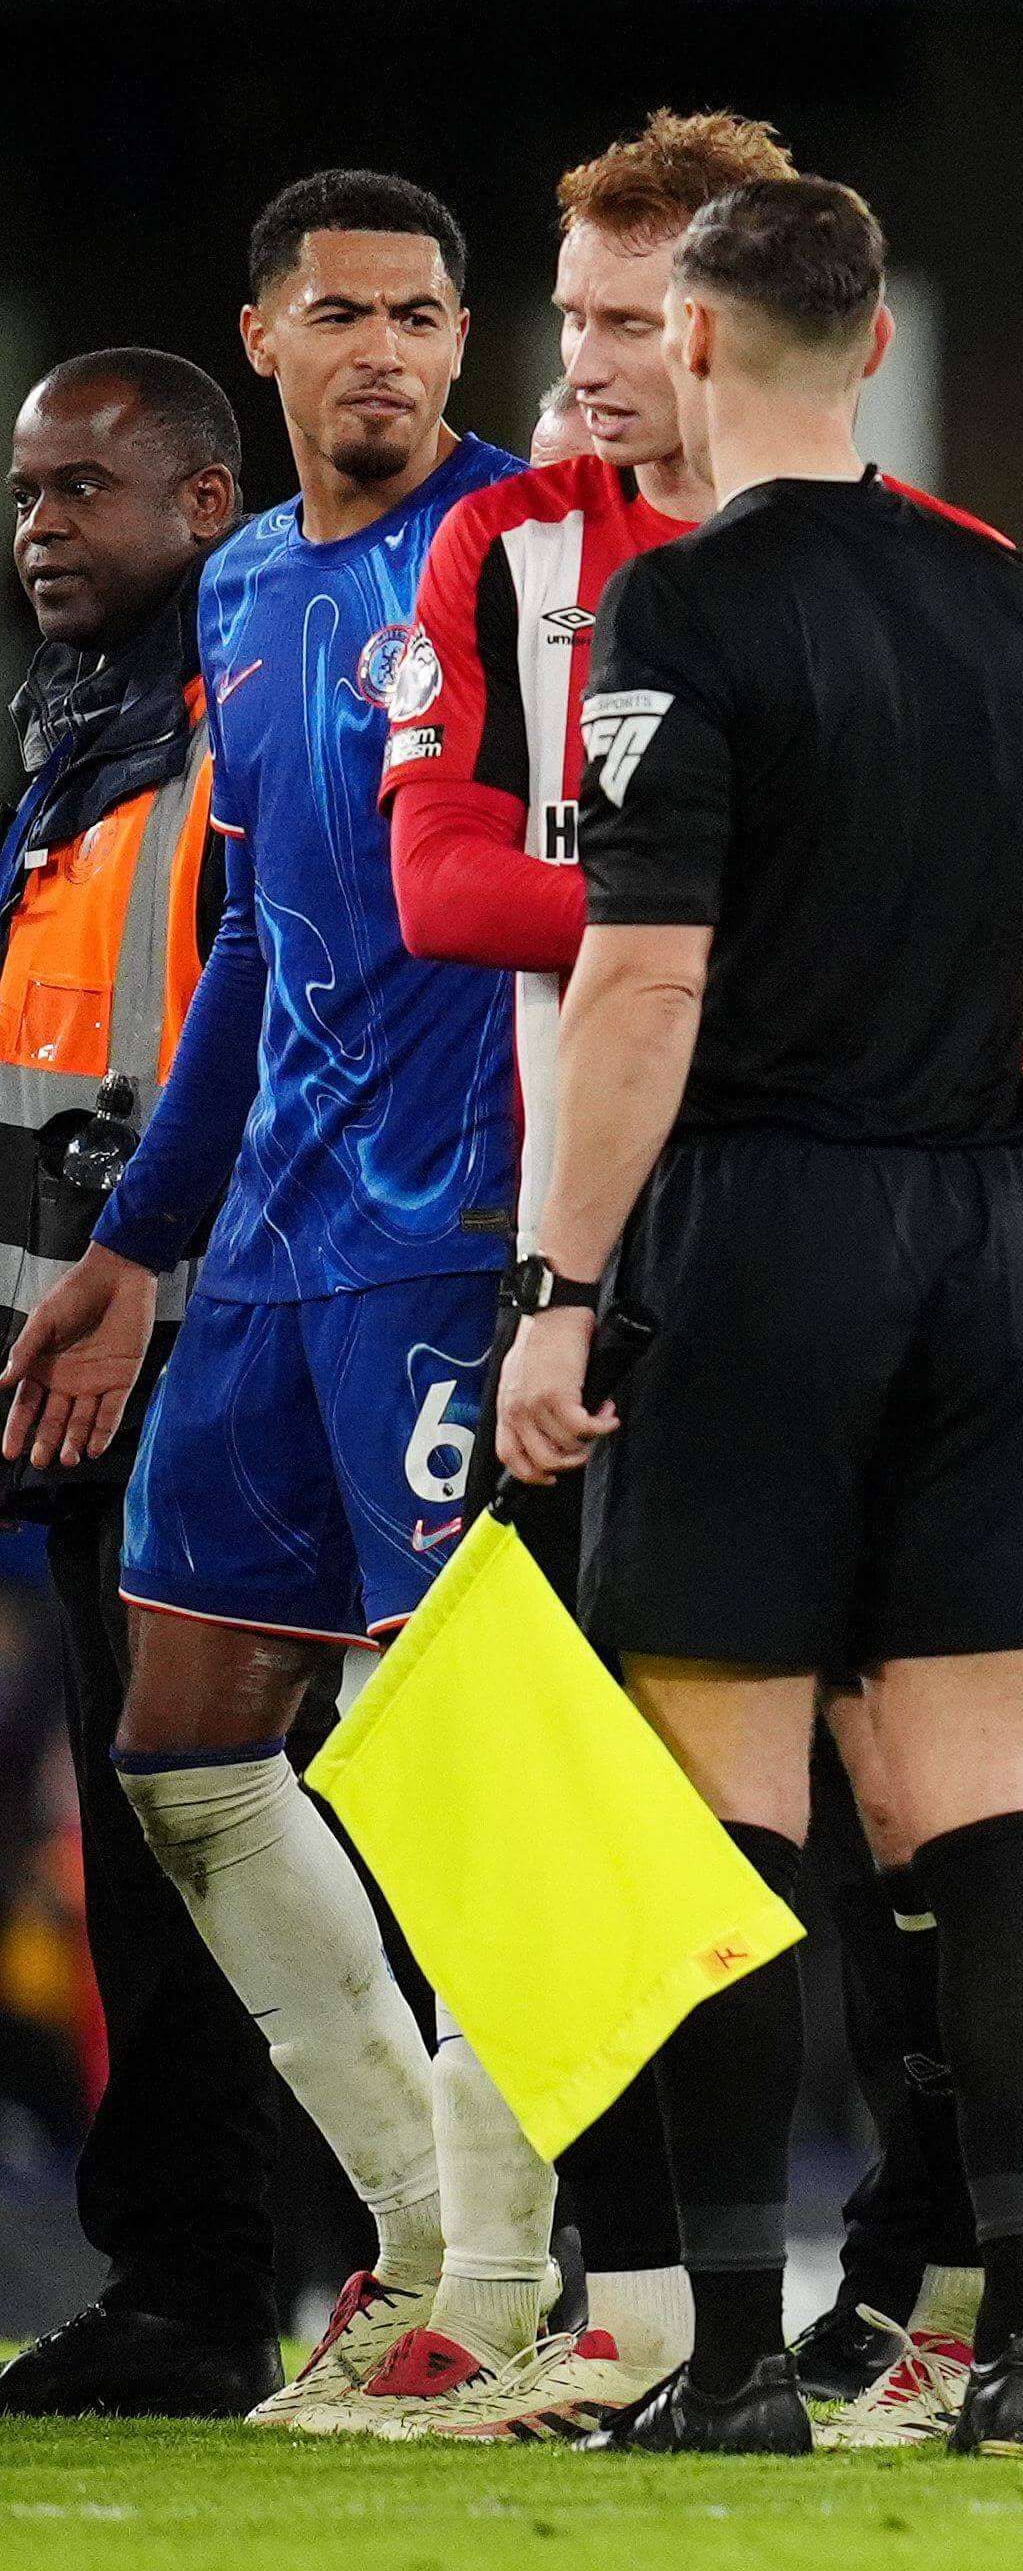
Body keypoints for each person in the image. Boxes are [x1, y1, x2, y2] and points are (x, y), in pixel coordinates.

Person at [491, 174, 1023, 2462]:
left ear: (686, 341)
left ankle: (740, 2354)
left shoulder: (678, 610)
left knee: (729, 1819)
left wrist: (557, 1295)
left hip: (763, 1229)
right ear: (872, 347)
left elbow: (644, 974)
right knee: (989, 1806)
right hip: (989, 1221)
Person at [0, 172, 529, 2436]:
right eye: (344, 317)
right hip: (272, 1247)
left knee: (480, 1766)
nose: (389, 353)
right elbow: (251, 950)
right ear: (270, 336)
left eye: (422, 316)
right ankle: (415, 2240)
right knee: (183, 1741)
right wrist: (137, 1240)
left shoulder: (536, 553)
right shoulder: (238, 586)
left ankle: (520, 2284)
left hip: (460, 1234)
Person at [374, 108, 823, 2443]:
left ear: (729, 325)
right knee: (536, 1763)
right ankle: (580, 2293)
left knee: (880, 1772)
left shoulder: (883, 565)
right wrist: (730, 927)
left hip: (814, 1233)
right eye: (578, 322)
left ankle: (934, 2296)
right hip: (556, 1238)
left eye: (635, 321)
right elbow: (444, 883)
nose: (595, 364)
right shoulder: (500, 557)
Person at [0, 349, 292, 2420]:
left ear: (203, 505)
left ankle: (513, 2244)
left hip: (249, 1349)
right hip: (77, 1372)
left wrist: (149, 1274)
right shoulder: (56, 736)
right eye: (23, 495)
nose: (39, 533)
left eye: (84, 491)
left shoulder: (258, 721)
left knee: (322, 1814)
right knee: (146, 1830)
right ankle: (189, 2285)